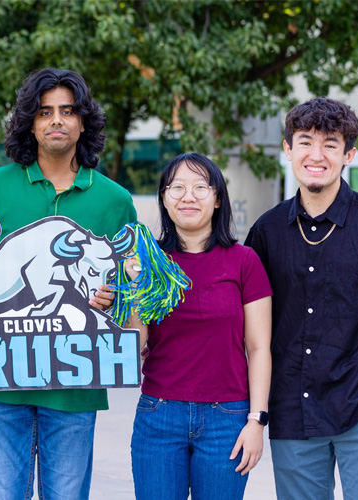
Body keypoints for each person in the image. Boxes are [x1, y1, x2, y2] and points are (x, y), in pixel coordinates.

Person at [0, 68, 137, 499]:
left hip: (75, 387)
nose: (56, 121)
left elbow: (128, 290)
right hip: (0, 382)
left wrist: (110, 300)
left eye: (68, 111)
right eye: (45, 112)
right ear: (30, 121)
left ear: (83, 121)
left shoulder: (115, 200)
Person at [244, 97, 358, 500]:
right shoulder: (266, 232)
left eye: (330, 143)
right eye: (305, 141)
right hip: (292, 410)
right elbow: (248, 320)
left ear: (349, 155)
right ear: (288, 150)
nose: (317, 154)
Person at [123, 153, 272, 500]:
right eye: (177, 187)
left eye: (200, 187)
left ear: (217, 198)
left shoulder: (244, 261)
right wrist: (135, 287)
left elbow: (259, 347)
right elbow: (133, 344)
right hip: (159, 415)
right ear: (163, 197)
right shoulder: (149, 262)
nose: (187, 196)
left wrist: (256, 421)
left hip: (228, 418)